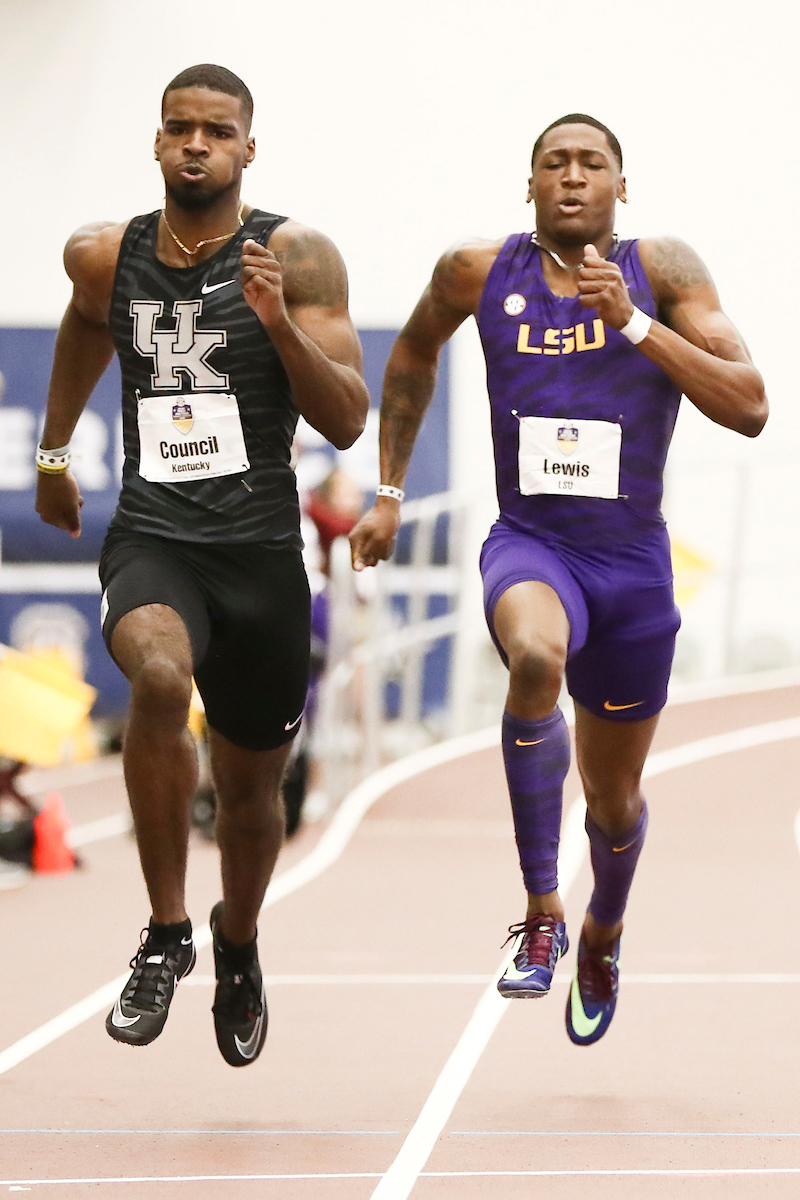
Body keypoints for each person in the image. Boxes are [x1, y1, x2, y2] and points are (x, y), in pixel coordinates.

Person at [349, 114, 766, 1045]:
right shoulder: (476, 270)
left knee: (613, 805)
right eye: (554, 163)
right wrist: (388, 491)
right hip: (532, 546)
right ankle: (543, 912)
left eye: (592, 163)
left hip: (632, 569)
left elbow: (750, 405)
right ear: (530, 183)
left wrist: (636, 325)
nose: (572, 176)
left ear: (621, 186)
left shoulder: (664, 270)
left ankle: (603, 930)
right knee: (535, 658)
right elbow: (412, 353)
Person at [35, 64, 368, 1065]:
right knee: (157, 676)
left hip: (260, 556)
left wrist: (276, 323)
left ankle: (238, 939)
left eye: (216, 131)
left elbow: (348, 419)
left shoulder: (297, 256)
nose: (195, 144)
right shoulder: (106, 254)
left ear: (246, 148)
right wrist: (53, 454)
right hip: (156, 536)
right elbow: (85, 323)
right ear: (156, 140)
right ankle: (167, 931)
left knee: (253, 793)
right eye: (179, 127)